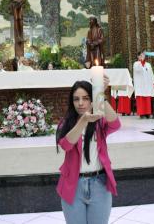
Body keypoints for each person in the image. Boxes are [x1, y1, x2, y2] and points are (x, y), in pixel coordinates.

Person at [56, 76, 121, 224]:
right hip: (74, 185)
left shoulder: (99, 120)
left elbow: (115, 124)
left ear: (91, 100)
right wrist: (83, 120)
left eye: (85, 98)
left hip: (99, 183)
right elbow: (66, 145)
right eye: (76, 99)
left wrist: (100, 94)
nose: (80, 103)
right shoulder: (65, 123)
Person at [133, 51, 154, 118]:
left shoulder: (148, 64)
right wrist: (141, 62)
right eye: (141, 55)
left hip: (147, 84)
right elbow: (138, 70)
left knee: (147, 98)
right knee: (141, 98)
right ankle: (141, 113)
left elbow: (151, 73)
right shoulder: (136, 64)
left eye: (143, 55)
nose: (142, 56)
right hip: (140, 84)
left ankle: (147, 113)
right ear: (138, 56)